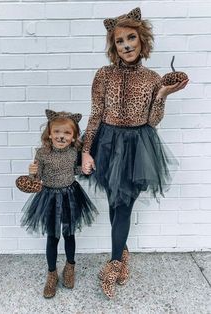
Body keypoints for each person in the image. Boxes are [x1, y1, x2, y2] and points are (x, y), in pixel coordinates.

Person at [81, 7, 188, 299]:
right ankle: (123, 251)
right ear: (113, 46)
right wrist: (86, 152)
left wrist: (163, 95)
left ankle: (115, 262)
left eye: (131, 38)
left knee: (124, 203)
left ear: (142, 41)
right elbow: (94, 115)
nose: (126, 45)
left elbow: (152, 121)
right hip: (106, 144)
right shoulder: (103, 75)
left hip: (138, 147)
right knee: (116, 202)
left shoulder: (153, 78)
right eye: (120, 41)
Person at [21, 109, 98, 298]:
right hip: (49, 197)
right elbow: (37, 178)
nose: (61, 136)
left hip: (70, 196)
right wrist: (32, 172)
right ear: (49, 133)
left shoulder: (74, 152)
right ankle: (52, 274)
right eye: (57, 132)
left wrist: (86, 169)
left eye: (66, 133)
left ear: (73, 137)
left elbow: (74, 170)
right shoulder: (42, 153)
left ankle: (70, 267)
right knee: (52, 237)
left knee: (69, 234)